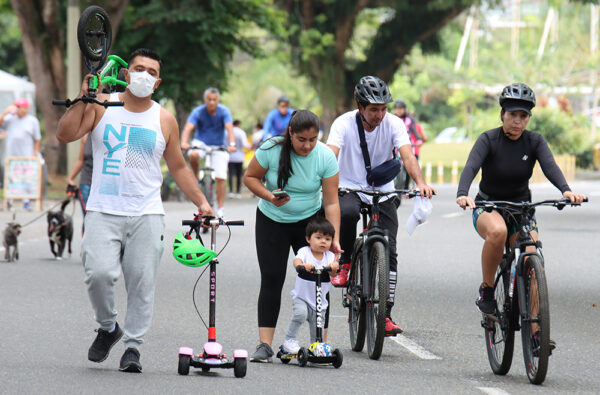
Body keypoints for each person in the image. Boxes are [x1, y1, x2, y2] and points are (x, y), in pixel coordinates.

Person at [56, 48, 213, 373]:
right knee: (97, 274)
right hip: (102, 210)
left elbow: (179, 168)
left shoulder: (164, 118)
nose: (144, 74)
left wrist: (202, 201)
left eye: (151, 71)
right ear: (126, 74)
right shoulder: (102, 106)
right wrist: (85, 96)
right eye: (138, 68)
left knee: (141, 282)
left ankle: (133, 348)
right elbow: (65, 133)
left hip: (147, 213)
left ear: (157, 82)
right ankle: (108, 326)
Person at [456, 82, 586, 349]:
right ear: (502, 114)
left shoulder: (534, 141)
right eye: (513, 114)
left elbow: (550, 166)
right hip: (489, 206)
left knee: (532, 254)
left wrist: (567, 190)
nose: (518, 121)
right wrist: (462, 193)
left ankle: (536, 335)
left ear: (529, 118)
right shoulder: (488, 139)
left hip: (521, 209)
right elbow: (471, 167)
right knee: (498, 232)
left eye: (523, 116)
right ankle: (488, 290)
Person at [327, 76, 435, 336]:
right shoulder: (343, 123)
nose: (380, 115)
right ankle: (346, 262)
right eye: (374, 109)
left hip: (383, 189)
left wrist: (420, 182)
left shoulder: (394, 124)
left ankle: (385, 314)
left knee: (391, 247)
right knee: (349, 212)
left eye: (383, 108)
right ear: (360, 106)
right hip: (350, 186)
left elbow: (407, 155)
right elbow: (330, 155)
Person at [243, 109, 341, 363]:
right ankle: (265, 345)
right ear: (290, 133)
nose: (307, 145)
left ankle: (320, 343)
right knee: (272, 277)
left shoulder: (325, 156)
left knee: (317, 276)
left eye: (312, 139)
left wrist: (335, 239)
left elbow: (331, 203)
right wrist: (269, 197)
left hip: (309, 223)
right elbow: (250, 177)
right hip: (271, 220)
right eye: (301, 140)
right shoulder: (271, 149)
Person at [281, 217, 339, 354]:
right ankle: (289, 340)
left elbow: (334, 273)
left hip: (319, 302)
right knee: (300, 314)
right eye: (318, 238)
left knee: (318, 325)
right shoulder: (305, 252)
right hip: (302, 297)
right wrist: (301, 266)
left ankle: (317, 346)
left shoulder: (330, 256)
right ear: (308, 239)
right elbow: (297, 261)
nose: (323, 241)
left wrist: (334, 268)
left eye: (327, 239)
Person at [180, 87, 236, 217]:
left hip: (219, 146)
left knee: (221, 177)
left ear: (218, 100)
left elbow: (229, 129)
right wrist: (184, 142)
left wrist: (232, 145)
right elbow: (188, 128)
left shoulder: (224, 111)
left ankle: (220, 208)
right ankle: (197, 177)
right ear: (205, 100)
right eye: (209, 99)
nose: (211, 102)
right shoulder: (198, 111)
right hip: (201, 143)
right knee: (193, 154)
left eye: (214, 99)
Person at [0, 98, 41, 210]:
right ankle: (9, 201)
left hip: (26, 155)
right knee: (11, 178)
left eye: (19, 107)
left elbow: (37, 139)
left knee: (26, 178)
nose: (17, 109)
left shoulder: (32, 121)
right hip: (12, 155)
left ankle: (26, 201)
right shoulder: (10, 119)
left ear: (25, 108)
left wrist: (35, 153)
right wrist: (5, 112)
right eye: (16, 107)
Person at [66, 134, 93, 234]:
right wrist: (70, 178)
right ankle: (85, 247)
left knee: (99, 220)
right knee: (88, 218)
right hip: (86, 183)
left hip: (103, 186)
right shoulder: (86, 137)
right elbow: (81, 160)